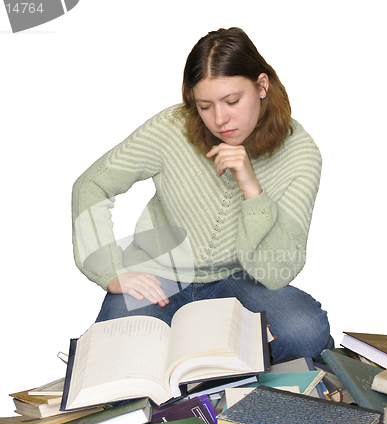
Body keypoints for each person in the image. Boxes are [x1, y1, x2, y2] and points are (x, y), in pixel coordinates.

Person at [72, 27, 333, 362]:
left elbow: (278, 272)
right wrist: (110, 269)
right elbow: (90, 185)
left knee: (304, 331)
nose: (219, 119)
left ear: (262, 86)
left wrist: (252, 189)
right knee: (114, 358)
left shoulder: (301, 153)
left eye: (232, 101)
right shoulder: (172, 128)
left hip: (241, 280)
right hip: (158, 275)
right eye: (205, 106)